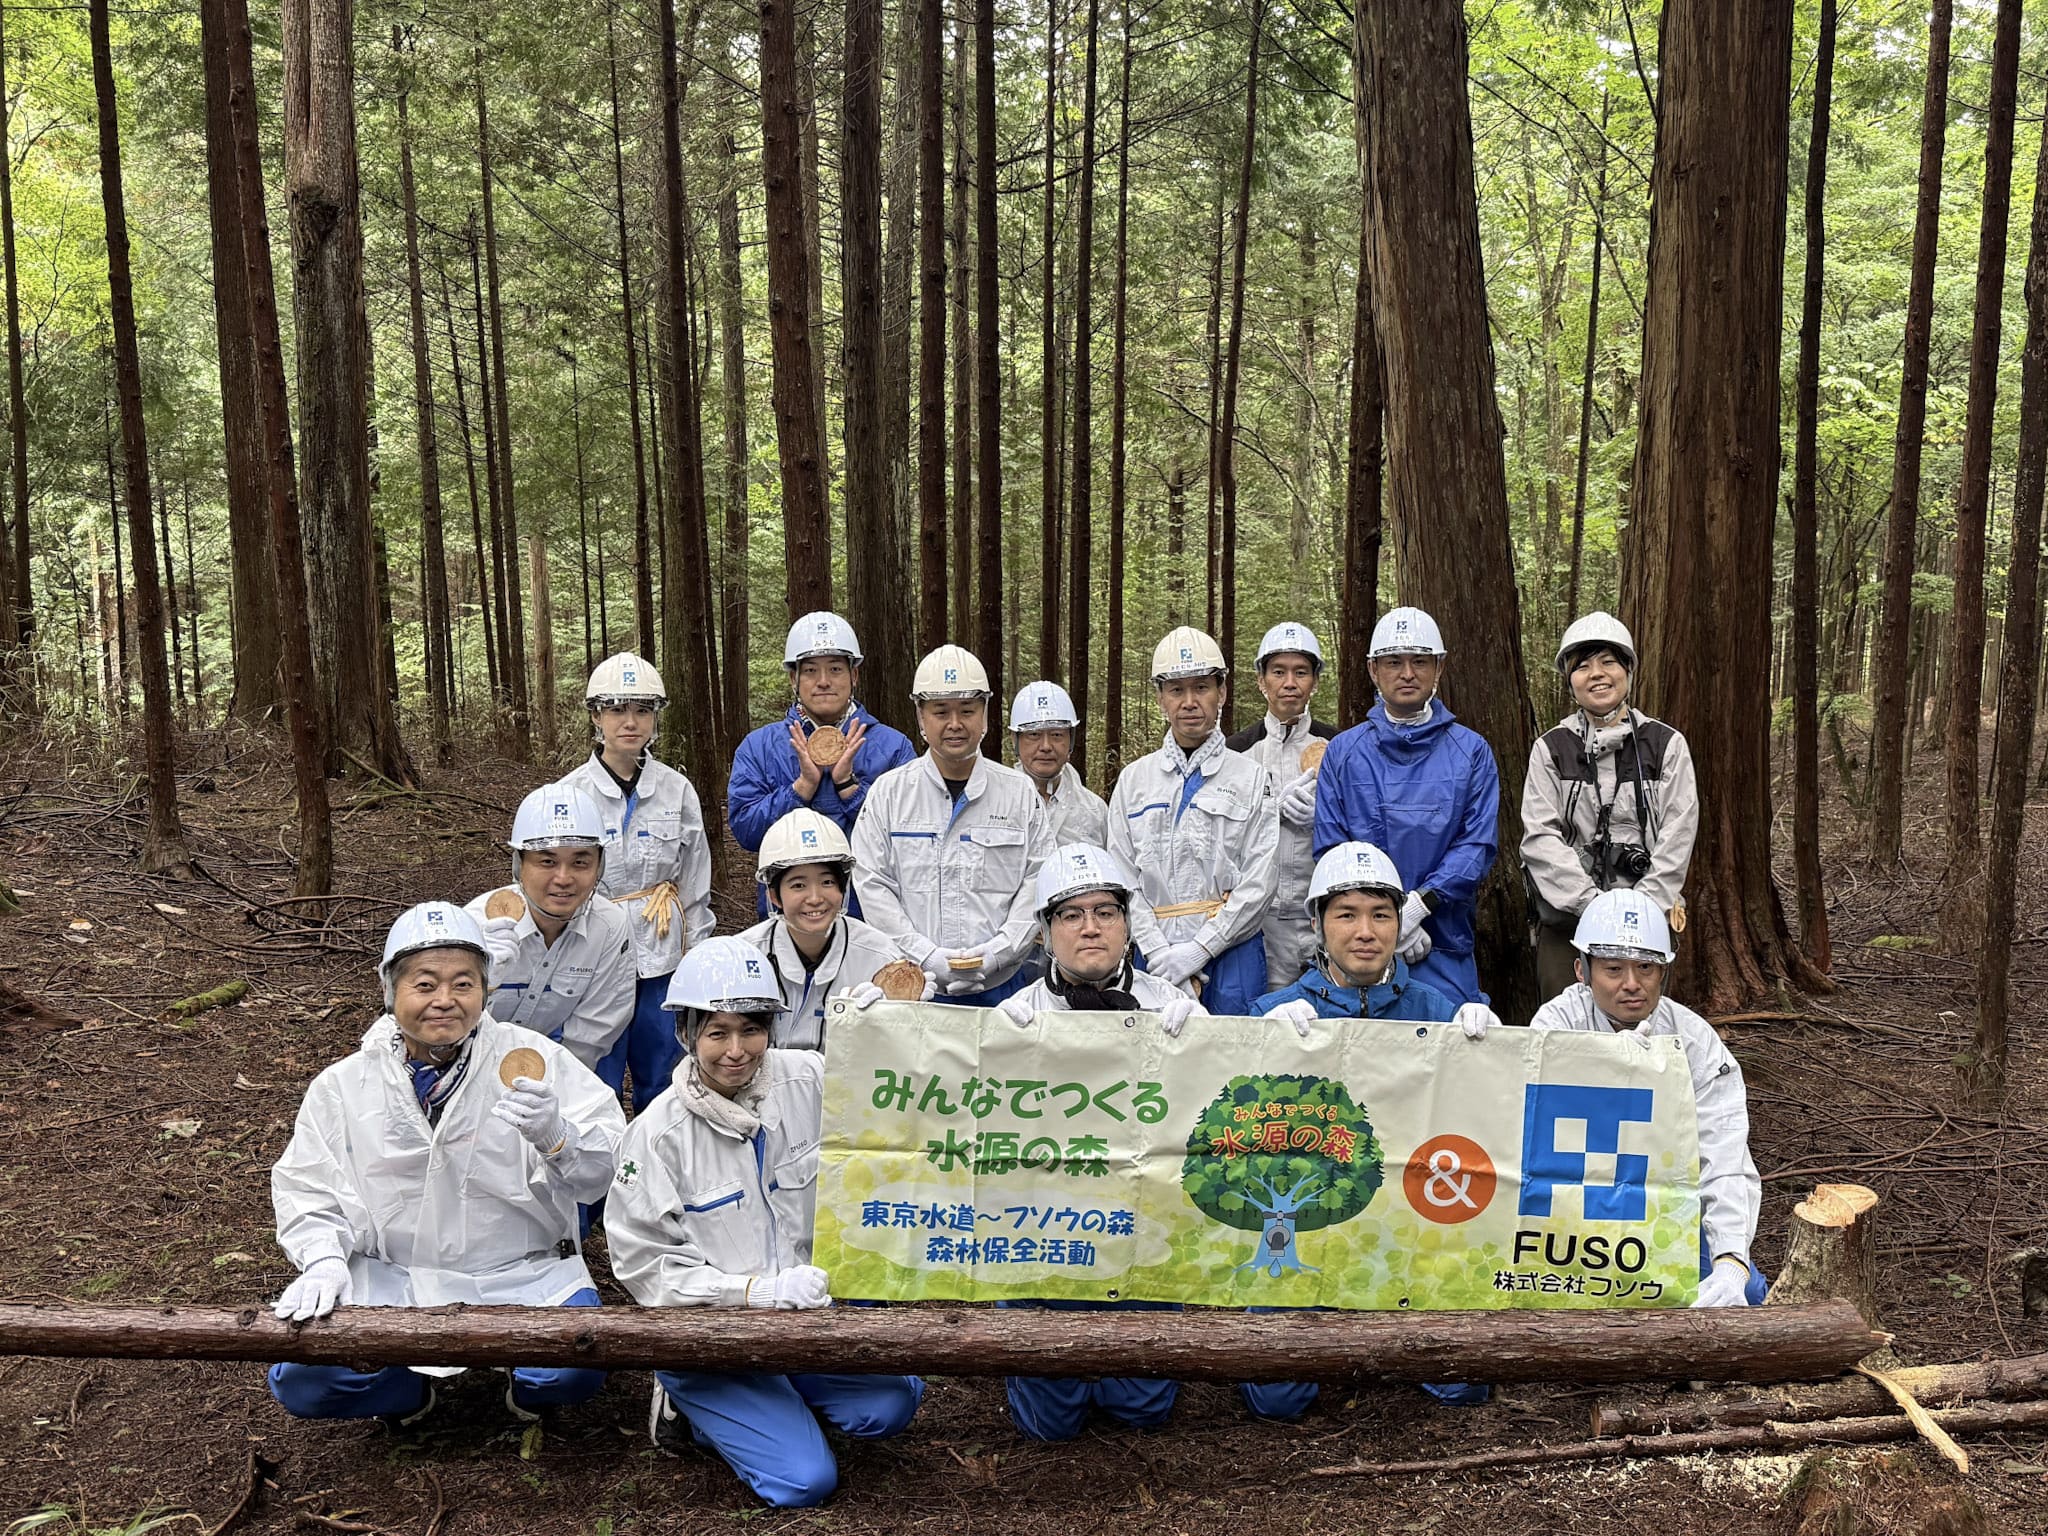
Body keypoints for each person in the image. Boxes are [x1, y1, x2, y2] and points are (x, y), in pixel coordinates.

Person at [268, 903, 624, 1425]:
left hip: (521, 1274)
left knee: (574, 1369)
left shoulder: (538, 1060)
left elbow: (609, 1168)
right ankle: (406, 1395)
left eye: (463, 984)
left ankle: (528, 1392)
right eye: (425, 984)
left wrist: (559, 1139)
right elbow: (309, 1186)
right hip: (396, 1278)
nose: (445, 1001)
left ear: (485, 990)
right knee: (305, 1381)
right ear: (391, 991)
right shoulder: (344, 1085)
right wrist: (323, 1258)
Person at [607, 937, 924, 1507]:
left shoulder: (807, 1079)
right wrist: (756, 1292)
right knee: (805, 1482)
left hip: (804, 1323)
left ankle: (775, 1401)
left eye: (751, 1029)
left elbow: (898, 1110)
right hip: (713, 1335)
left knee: (891, 1406)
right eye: (716, 1033)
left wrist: (883, 1035)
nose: (736, 1050)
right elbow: (645, 1269)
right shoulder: (656, 1136)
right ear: (687, 1034)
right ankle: (687, 1404)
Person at [1251, 843, 1497, 1419]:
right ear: (1317, 923)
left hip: (1414, 1223)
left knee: (1466, 1386)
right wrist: (1257, 1044)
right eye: (1347, 914)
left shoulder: (1438, 1010)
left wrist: (1490, 1053)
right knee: (1275, 1399)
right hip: (1307, 1228)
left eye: (1381, 914)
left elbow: (1486, 1127)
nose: (1365, 931)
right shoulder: (1276, 1012)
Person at [991, 844, 1197, 1440]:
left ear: (1128, 925)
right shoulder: (1014, 1016)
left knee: (1144, 1412)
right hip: (1044, 1234)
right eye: (1071, 915)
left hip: (1144, 1234)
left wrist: (1207, 1040)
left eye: (1105, 912)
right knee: (1049, 1426)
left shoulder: (1176, 1008)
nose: (1090, 928)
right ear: (1045, 933)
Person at [1475, 889, 1764, 1307]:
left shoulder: (1695, 1041)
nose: (1632, 984)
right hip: (1567, 1219)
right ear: (1581, 970)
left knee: (1749, 1292)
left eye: (1646, 967)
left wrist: (1731, 1258)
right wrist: (1479, 1053)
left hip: (1663, 1213)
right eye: (1613, 969)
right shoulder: (1556, 1027)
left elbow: (1724, 1156)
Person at [1312, 606, 1499, 1006]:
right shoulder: (1344, 752)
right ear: (1373, 670)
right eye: (1394, 662)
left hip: (1443, 941)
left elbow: (1477, 846)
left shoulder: (1471, 752)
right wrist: (1382, 919)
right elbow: (1331, 848)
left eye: (1420, 661)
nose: (1407, 673)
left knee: (1448, 1052)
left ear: (1439, 669)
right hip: (1357, 945)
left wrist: (1418, 907)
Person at [849, 645, 1054, 1007]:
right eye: (941, 711)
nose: (955, 724)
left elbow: (1039, 881)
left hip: (1004, 989)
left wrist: (996, 954)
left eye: (967, 711)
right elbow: (872, 883)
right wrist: (926, 957)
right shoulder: (890, 793)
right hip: (912, 988)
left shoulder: (1018, 793)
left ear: (986, 715)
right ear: (921, 716)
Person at [562, 652, 714, 1110]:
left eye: (642, 711)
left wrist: (695, 956)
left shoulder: (676, 789)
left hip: (663, 953)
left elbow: (694, 880)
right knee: (595, 1072)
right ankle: (599, 1174)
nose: (630, 722)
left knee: (663, 1073)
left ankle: (655, 1165)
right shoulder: (571, 794)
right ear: (596, 716)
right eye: (616, 710)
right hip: (595, 957)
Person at [1521, 612, 1699, 1000]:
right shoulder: (1551, 748)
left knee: (1638, 1029)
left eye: (1608, 662)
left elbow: (1678, 833)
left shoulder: (1666, 744)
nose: (1596, 674)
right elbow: (1540, 836)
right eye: (1582, 666)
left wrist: (1641, 910)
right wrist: (1591, 905)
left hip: (1648, 916)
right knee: (1565, 1027)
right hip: (1569, 916)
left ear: (1628, 671)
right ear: (1570, 681)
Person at [1105, 626, 1278, 1016]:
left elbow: (1261, 881)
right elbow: (1121, 878)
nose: (1189, 702)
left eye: (1201, 688)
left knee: (1235, 1066)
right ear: (1160, 699)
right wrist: (1160, 952)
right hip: (1155, 954)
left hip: (1233, 953)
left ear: (1222, 693)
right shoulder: (1134, 780)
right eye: (1176, 690)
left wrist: (1201, 949)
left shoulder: (1251, 778)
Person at [727, 611, 919, 915]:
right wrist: (800, 789)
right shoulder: (759, 747)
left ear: (854, 675)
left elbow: (910, 836)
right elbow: (746, 832)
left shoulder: (893, 746)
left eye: (835, 669)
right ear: (794, 678)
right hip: (785, 920)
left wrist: (850, 788)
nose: (824, 681)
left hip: (873, 918)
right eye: (811, 671)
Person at [465, 784, 636, 1073]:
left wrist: (547, 1088)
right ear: (520, 865)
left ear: (600, 867)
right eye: (547, 861)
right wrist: (481, 986)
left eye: (580, 862)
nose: (563, 878)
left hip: (561, 1074)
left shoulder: (609, 928)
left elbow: (592, 1034)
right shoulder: (477, 924)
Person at [738, 808, 925, 1048]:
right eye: (798, 885)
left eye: (827, 882)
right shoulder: (743, 957)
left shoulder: (880, 959)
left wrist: (902, 1014)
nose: (815, 898)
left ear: (843, 888)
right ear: (774, 895)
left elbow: (904, 1051)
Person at [1226, 622, 1338, 990]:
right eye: (1278, 672)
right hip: (1260, 922)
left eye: (1301, 672)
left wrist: (1323, 820)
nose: (1290, 682)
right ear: (1261, 680)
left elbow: (1361, 828)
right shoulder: (1236, 752)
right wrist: (1270, 811)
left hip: (1322, 913)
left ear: (1315, 681)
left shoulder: (1341, 748)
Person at [1010, 680, 1108, 846]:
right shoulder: (999, 803)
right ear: (1015, 740)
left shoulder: (1094, 811)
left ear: (1071, 740)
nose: (1046, 746)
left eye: (1056, 735)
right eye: (1034, 735)